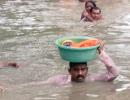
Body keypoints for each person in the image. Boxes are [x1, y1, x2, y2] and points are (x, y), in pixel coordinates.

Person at [20, 42, 119, 86]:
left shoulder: (92, 79)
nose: (80, 73)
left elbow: (114, 74)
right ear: (69, 71)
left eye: (83, 69)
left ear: (87, 70)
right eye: (76, 70)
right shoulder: (59, 80)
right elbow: (37, 85)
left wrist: (103, 54)